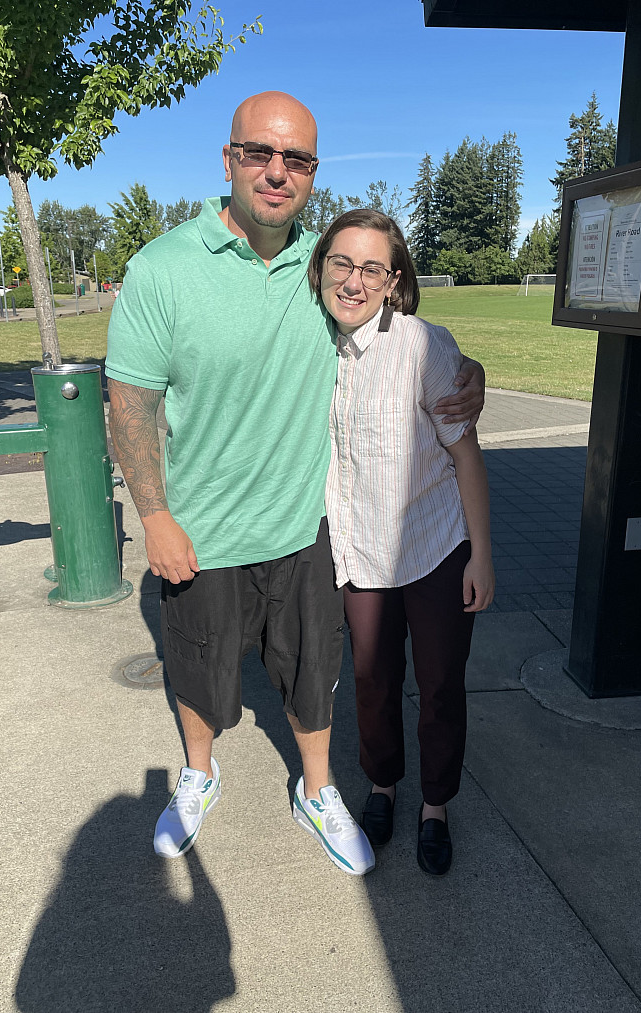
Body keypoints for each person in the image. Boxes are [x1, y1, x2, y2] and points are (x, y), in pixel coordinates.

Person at [105, 91, 485, 877]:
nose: (277, 172)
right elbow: (131, 400)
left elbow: (397, 324)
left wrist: (468, 374)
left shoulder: (322, 265)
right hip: (202, 526)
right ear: (229, 159)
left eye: (298, 159)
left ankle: (317, 790)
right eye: (259, 153)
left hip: (306, 525)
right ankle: (199, 774)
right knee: (198, 667)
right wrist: (154, 513)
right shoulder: (163, 266)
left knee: (314, 672)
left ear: (313, 172)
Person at [307, 209, 495, 876]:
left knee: (441, 682)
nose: (354, 280)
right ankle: (383, 785)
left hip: (435, 544)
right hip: (360, 553)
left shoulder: (424, 344)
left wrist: (482, 553)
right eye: (342, 263)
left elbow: (465, 454)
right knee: (371, 680)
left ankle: (436, 804)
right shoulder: (304, 343)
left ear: (394, 281)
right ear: (321, 267)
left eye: (372, 268)